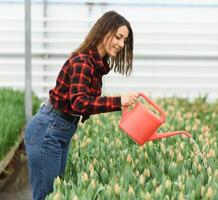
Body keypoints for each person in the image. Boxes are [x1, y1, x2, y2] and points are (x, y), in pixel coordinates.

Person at [24, 10, 139, 200]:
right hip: (48, 130)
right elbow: (80, 103)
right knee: (46, 196)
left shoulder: (96, 65)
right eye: (118, 37)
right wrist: (119, 101)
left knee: (56, 194)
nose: (121, 44)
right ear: (103, 31)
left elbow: (83, 103)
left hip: (58, 128)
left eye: (124, 40)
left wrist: (123, 103)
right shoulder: (83, 62)